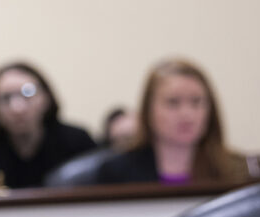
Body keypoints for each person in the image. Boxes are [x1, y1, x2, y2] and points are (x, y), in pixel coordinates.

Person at [96, 58, 248, 185]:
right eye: (173, 102)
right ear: (148, 110)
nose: (187, 114)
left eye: (196, 102)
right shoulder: (115, 172)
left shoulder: (238, 169)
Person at [0, 62, 96, 188]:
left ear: (46, 98)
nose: (17, 108)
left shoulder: (76, 141)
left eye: (28, 92)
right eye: (6, 98)